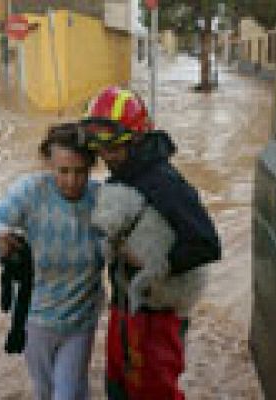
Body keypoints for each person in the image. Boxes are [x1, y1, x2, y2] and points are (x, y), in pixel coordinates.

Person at [80, 86, 222, 399]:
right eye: (100, 150)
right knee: (118, 386)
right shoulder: (124, 173)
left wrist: (154, 264)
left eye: (114, 149)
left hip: (157, 316)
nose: (106, 157)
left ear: (137, 138)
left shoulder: (163, 182)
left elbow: (207, 244)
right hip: (126, 305)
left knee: (154, 391)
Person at [0, 123, 104, 400]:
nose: (71, 181)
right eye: (63, 171)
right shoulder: (31, 192)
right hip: (36, 319)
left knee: (66, 393)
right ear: (49, 164)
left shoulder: (103, 200)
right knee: (45, 391)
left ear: (92, 166)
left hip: (81, 320)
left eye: (80, 171)